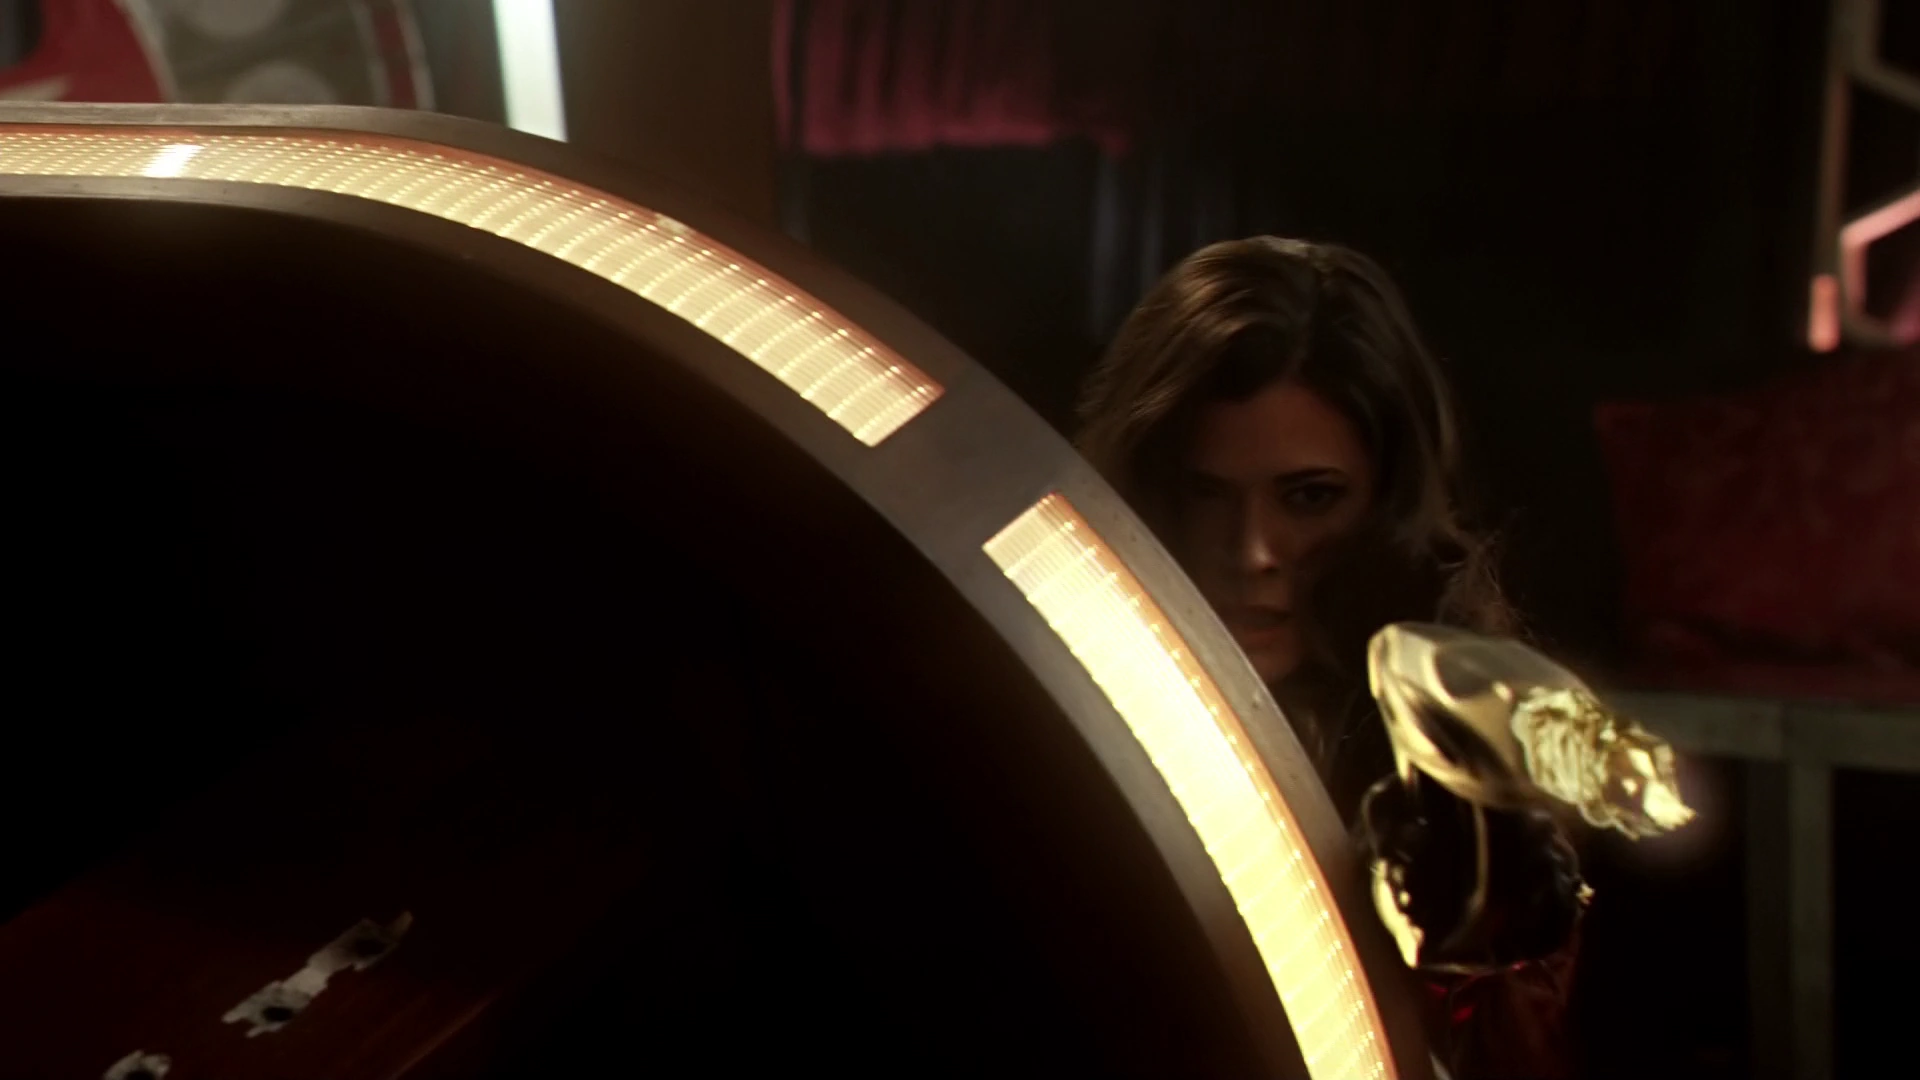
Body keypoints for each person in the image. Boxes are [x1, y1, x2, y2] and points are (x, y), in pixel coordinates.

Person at [1075, 237, 1581, 1080]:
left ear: (1388, 505)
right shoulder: (1066, 711)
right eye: (1206, 492)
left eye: (1309, 497)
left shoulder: (1470, 780)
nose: (1253, 552)